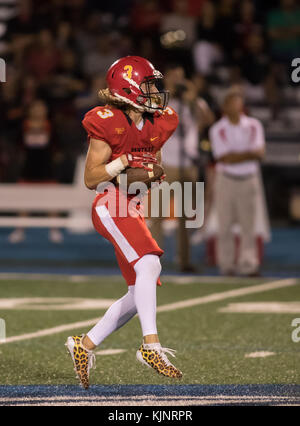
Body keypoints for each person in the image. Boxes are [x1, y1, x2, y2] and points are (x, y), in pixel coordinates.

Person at [65, 56, 182, 389]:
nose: (155, 92)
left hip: (132, 205)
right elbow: (91, 178)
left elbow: (152, 165)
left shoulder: (159, 122)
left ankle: (84, 346)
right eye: (148, 86)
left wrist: (150, 174)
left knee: (137, 290)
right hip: (108, 202)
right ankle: (150, 345)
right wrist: (124, 163)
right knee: (149, 263)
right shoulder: (106, 121)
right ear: (129, 88)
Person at [209, 87, 266, 276]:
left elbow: (260, 153)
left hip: (249, 179)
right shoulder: (218, 129)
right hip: (226, 179)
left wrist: (238, 155)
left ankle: (249, 264)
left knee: (248, 225)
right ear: (225, 106)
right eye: (233, 101)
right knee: (224, 225)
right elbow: (224, 158)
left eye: (239, 100)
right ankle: (226, 265)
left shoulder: (253, 125)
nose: (237, 104)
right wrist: (248, 154)